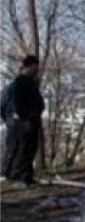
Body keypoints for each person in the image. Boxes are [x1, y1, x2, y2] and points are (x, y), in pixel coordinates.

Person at [1, 55, 45, 185]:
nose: (37, 68)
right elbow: (16, 103)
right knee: (23, 149)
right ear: (31, 65)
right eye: (36, 66)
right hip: (26, 121)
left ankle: (27, 176)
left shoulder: (30, 81)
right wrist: (23, 117)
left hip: (32, 118)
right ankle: (17, 175)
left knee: (30, 149)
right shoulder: (20, 82)